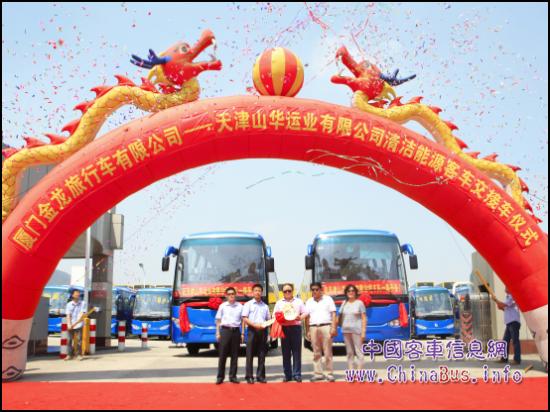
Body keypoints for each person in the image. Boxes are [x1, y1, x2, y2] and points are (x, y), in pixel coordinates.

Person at [273, 283, 308, 382]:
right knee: (286, 353)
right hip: (284, 329)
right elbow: (274, 315)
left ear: (293, 291)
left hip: (296, 328)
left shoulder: (299, 301)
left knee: (296, 352)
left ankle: (297, 374)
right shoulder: (279, 303)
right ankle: (287, 375)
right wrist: (280, 318)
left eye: (289, 290)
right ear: (282, 292)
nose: (287, 292)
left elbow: (305, 312)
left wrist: (300, 317)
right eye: (285, 291)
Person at [305, 282, 337, 382]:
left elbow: (333, 314)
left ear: (321, 290)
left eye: (316, 289)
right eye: (313, 290)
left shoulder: (328, 299)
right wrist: (307, 330)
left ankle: (329, 374)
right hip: (313, 327)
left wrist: (333, 327)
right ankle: (318, 374)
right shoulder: (309, 301)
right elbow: (307, 317)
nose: (315, 291)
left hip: (326, 326)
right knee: (316, 352)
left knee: (327, 352)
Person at [242, 283, 270, 384]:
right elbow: (245, 318)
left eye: (259, 291)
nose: (258, 292)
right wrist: (254, 325)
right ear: (252, 292)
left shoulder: (265, 306)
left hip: (262, 331)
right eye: (256, 290)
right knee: (249, 354)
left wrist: (266, 326)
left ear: (261, 292)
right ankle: (249, 376)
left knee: (262, 354)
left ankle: (260, 376)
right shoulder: (248, 304)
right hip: (252, 330)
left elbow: (268, 319)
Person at [215, 287, 243, 384]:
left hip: (236, 332)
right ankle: (220, 377)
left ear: (235, 295)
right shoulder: (222, 306)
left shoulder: (240, 306)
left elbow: (243, 320)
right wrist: (217, 332)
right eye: (229, 294)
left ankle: (233, 376)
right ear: (226, 296)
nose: (231, 295)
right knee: (222, 355)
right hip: (225, 331)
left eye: (233, 294)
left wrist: (242, 333)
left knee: (235, 355)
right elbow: (218, 320)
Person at [339, 284, 367, 370]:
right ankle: (351, 372)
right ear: (346, 293)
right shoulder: (344, 303)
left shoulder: (359, 303)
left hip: (356, 331)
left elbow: (364, 318)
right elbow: (339, 315)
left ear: (355, 292)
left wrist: (363, 332)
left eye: (352, 291)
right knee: (349, 353)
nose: (350, 292)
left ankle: (359, 373)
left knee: (358, 352)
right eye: (349, 291)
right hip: (346, 331)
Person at [496, 288, 522, 365]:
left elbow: (503, 305)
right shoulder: (507, 297)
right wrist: (499, 305)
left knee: (515, 341)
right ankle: (504, 358)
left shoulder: (512, 296)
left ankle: (517, 359)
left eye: (507, 287)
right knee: (505, 341)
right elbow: (503, 308)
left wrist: (497, 301)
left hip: (514, 322)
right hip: (509, 323)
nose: (505, 288)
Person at [65, 289, 87, 361]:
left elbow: (83, 313)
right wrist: (69, 324)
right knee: (69, 340)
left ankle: (78, 355)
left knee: (79, 340)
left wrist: (78, 321)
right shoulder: (69, 304)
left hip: (79, 324)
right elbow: (68, 315)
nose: (78, 295)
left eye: (78, 294)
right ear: (72, 295)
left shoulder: (83, 303)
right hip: (71, 324)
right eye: (76, 294)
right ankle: (69, 355)